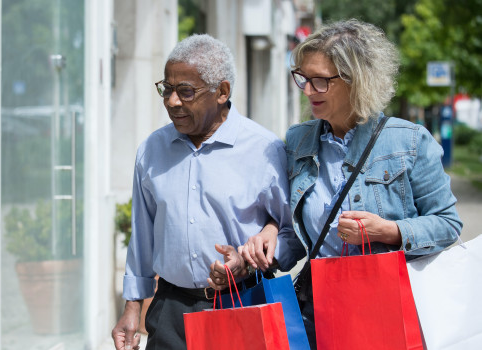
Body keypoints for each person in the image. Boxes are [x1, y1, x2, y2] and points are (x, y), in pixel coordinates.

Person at [216, 19, 463, 349]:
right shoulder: (298, 141)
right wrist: (260, 251)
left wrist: (388, 231)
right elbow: (297, 237)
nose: (307, 91)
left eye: (320, 81)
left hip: (388, 313)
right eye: (303, 79)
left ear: (356, 80)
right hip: (319, 314)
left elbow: (448, 224)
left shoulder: (410, 142)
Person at [111, 33, 293, 350]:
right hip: (170, 311)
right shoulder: (152, 150)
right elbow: (142, 236)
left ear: (221, 92)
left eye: (185, 91)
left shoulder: (264, 150)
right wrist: (132, 306)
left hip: (245, 305)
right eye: (166, 90)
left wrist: (249, 262)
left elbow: (292, 233)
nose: (171, 101)